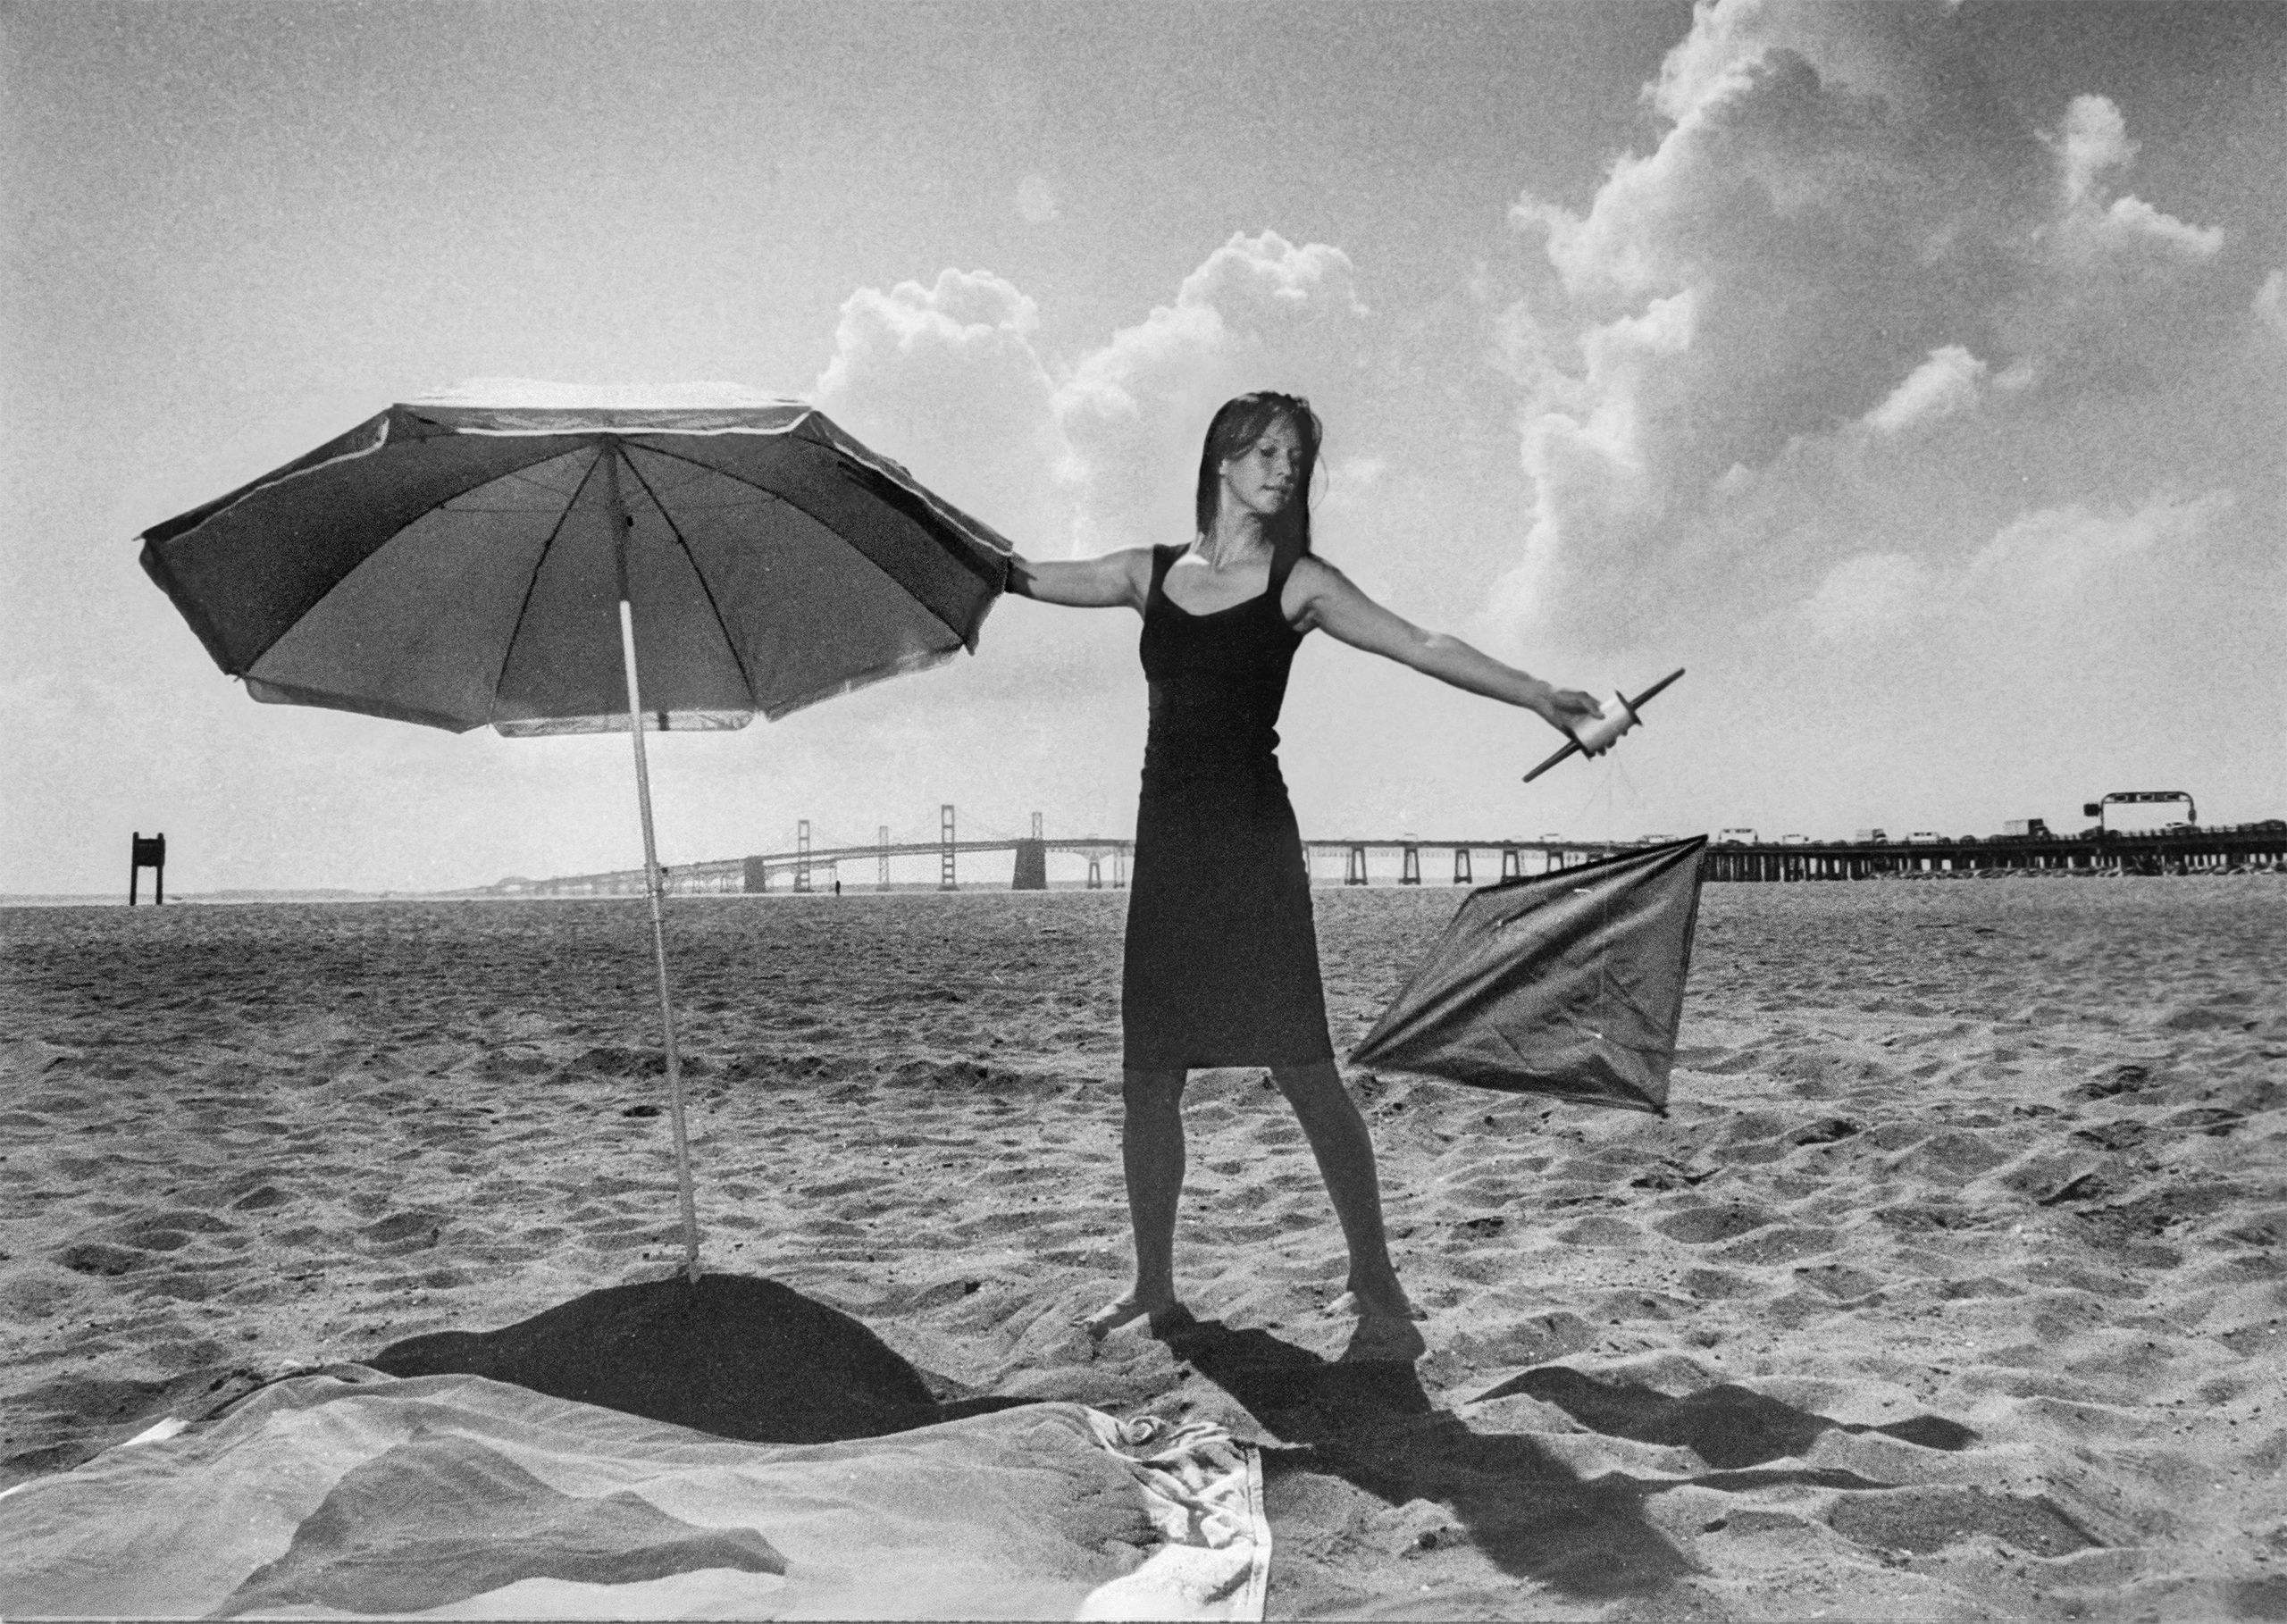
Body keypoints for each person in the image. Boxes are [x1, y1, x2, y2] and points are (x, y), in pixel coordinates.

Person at [1007, 392, 1601, 1345]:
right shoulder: (1144, 573)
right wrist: (918, 516)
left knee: (1303, 1068)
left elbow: (1421, 643)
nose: (1286, 469)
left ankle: (1378, 1288)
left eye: (1297, 455)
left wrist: (1537, 695)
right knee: (1149, 1078)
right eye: (1268, 451)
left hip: (1251, 847)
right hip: (1167, 847)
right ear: (1222, 459)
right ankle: (1151, 1286)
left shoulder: (1299, 582)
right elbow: (1022, 574)